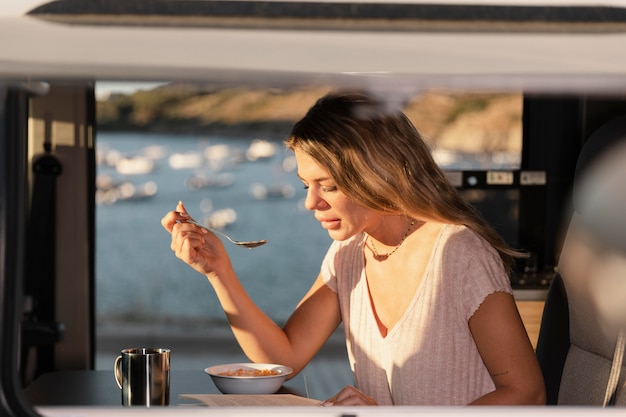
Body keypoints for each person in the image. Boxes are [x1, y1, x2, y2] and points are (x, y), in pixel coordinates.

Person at [161, 91, 546, 406]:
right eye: (304, 185)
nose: (310, 203)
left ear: (376, 171)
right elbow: (284, 359)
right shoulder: (347, 256)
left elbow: (527, 394)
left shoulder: (460, 254)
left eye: (327, 185)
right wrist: (219, 272)